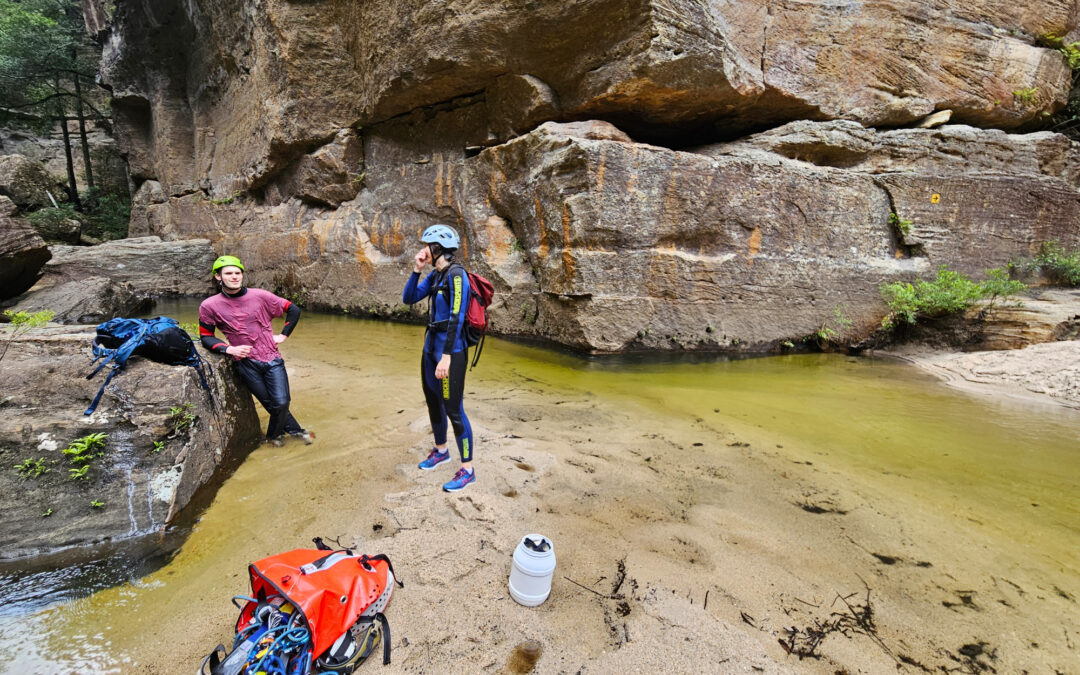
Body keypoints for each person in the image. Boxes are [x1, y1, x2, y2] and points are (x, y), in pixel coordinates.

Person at [198, 255, 313, 447]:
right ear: (218, 277)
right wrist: (229, 349)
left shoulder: (260, 295)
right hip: (245, 363)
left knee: (282, 402)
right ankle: (296, 434)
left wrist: (283, 335)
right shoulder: (209, 305)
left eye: (237, 273)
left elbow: (293, 309)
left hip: (271, 359)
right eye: (228, 273)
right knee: (271, 404)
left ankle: (273, 437)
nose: (234, 277)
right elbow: (206, 337)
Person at [402, 224, 476, 492]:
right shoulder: (435, 276)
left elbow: (456, 317)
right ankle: (441, 450)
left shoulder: (457, 276)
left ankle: (467, 469)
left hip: (451, 351)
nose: (423, 249)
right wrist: (416, 270)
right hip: (429, 348)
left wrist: (446, 357)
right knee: (433, 401)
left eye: (426, 245)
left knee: (454, 409)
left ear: (438, 248)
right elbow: (409, 299)